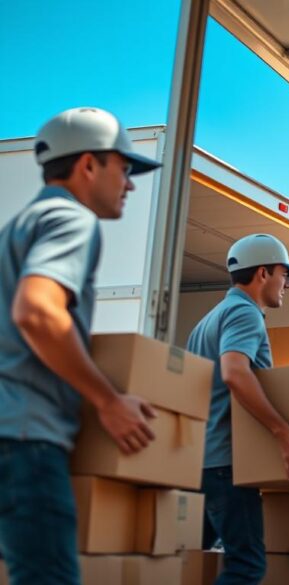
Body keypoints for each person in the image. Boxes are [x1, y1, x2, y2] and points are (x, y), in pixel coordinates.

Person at [0, 107, 161, 585]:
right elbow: (37, 312)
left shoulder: (19, 226)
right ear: (88, 164)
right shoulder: (71, 219)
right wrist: (108, 401)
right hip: (26, 443)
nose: (130, 185)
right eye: (125, 169)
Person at [187, 234, 289, 584]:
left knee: (189, 560)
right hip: (228, 466)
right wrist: (284, 433)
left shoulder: (210, 319)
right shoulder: (245, 313)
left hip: (202, 463)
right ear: (263, 273)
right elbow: (235, 372)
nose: (288, 285)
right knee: (247, 566)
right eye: (284, 274)